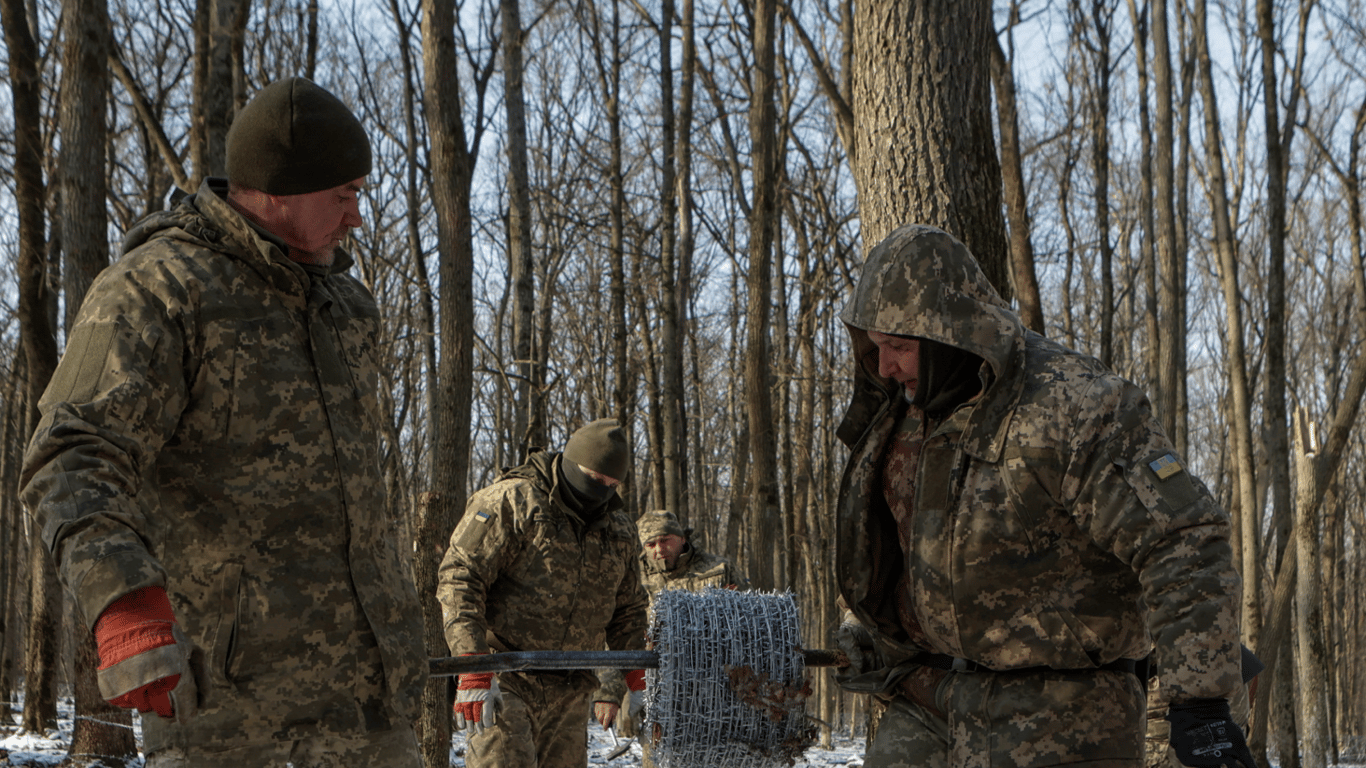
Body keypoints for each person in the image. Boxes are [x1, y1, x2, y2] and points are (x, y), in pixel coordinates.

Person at [19, 77, 425, 767]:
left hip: (369, 702)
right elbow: (72, 452)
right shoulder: (160, 288)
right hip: (231, 712)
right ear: (276, 191)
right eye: (344, 194)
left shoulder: (345, 305)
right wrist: (124, 601)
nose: (357, 216)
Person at [831, 224, 1253, 768]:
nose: (885, 366)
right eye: (876, 346)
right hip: (928, 706)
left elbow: (1183, 541)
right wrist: (866, 628)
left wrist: (1202, 705)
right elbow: (885, 544)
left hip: (1063, 720)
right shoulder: (901, 413)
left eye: (900, 347)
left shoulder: (1074, 406)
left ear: (952, 334)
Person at [438, 418, 650, 768]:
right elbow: (461, 579)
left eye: (613, 486)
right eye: (595, 481)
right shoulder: (513, 502)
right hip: (506, 674)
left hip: (572, 685)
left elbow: (626, 610)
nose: (602, 493)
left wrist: (639, 676)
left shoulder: (618, 530)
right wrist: (473, 664)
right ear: (571, 465)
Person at [594, 509, 748, 761]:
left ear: (682, 539)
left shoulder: (719, 570)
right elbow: (619, 636)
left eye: (665, 540)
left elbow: (749, 624)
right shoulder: (632, 579)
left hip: (716, 692)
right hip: (658, 694)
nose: (659, 549)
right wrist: (608, 693)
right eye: (651, 543)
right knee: (658, 759)